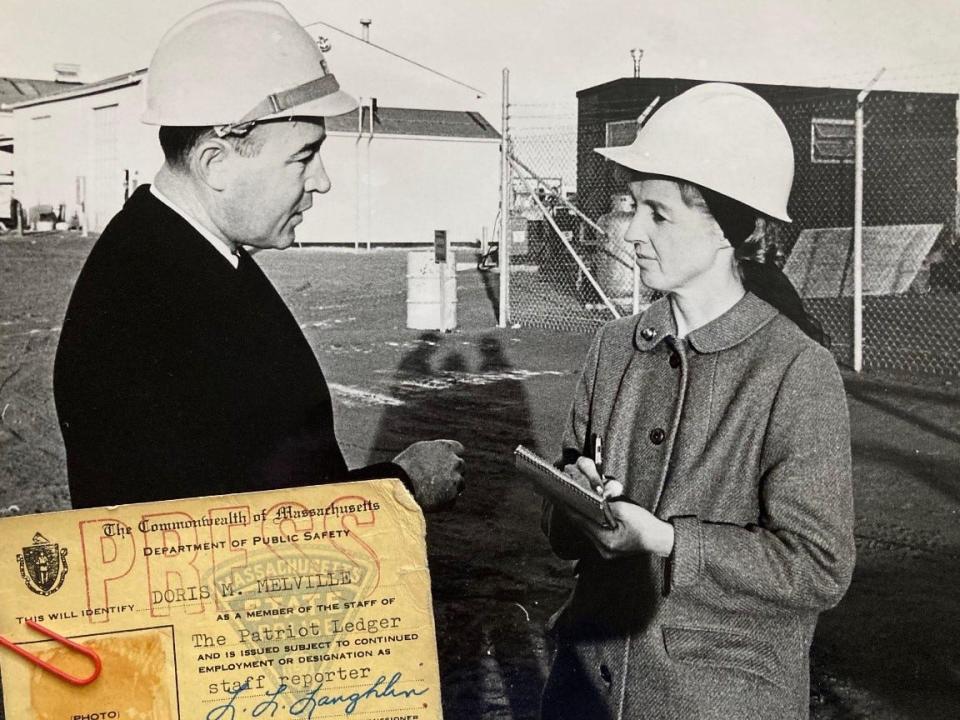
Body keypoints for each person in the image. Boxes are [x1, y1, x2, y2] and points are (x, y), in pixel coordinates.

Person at [53, 0, 464, 511]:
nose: (323, 180)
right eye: (303, 156)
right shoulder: (152, 298)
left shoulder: (181, 257)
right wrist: (399, 486)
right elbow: (220, 530)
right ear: (215, 163)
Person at [540, 83, 855, 719]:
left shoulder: (796, 370)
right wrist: (574, 496)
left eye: (658, 214)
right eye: (631, 208)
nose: (630, 233)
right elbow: (561, 531)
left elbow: (817, 567)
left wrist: (664, 541)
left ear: (724, 228)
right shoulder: (613, 347)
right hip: (587, 691)